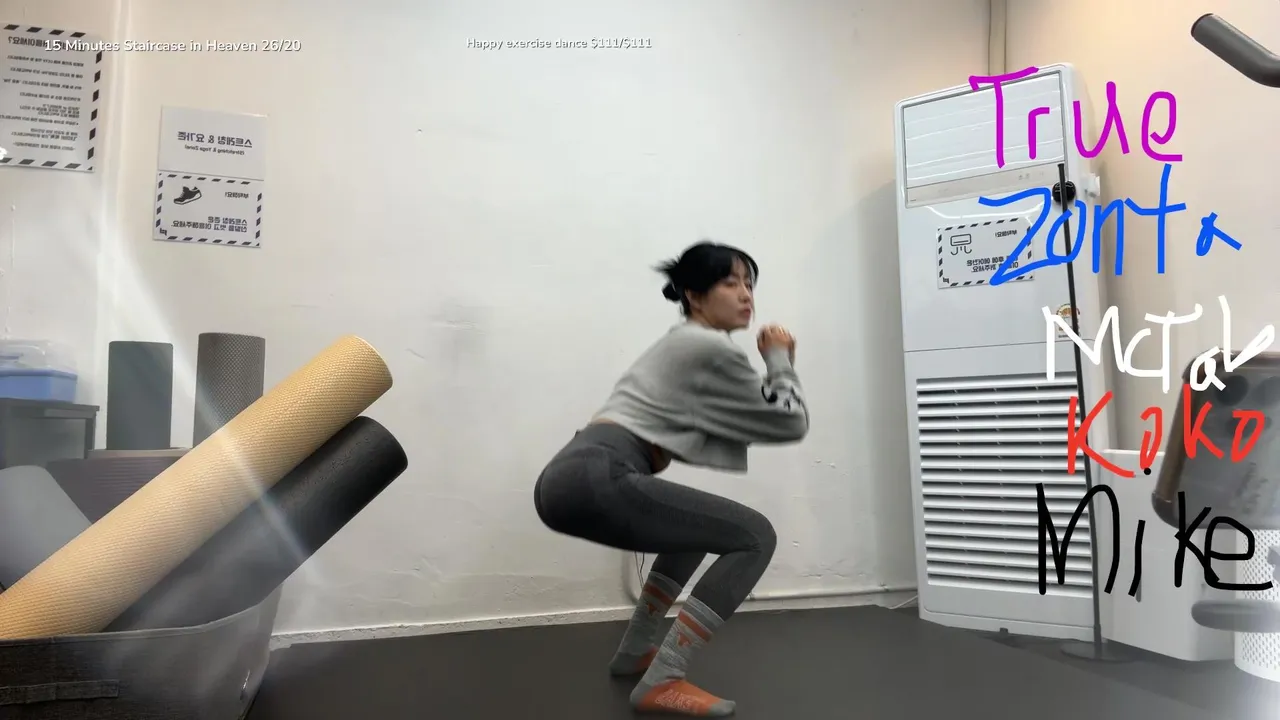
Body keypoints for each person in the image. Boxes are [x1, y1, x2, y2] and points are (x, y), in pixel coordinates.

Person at [533, 240, 810, 716]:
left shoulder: (681, 343)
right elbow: (790, 421)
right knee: (755, 536)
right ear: (694, 295)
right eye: (730, 282)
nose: (746, 294)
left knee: (691, 532)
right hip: (600, 472)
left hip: (569, 477)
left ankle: (636, 651)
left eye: (749, 284)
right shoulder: (708, 347)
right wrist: (780, 358)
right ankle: (663, 678)